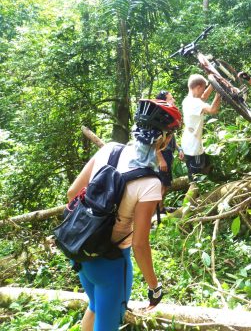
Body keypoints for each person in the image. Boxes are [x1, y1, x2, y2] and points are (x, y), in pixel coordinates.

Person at [66, 99, 181, 330]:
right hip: (111, 263)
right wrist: (154, 287)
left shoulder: (110, 149)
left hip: (80, 249)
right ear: (164, 139)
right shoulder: (150, 183)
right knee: (106, 321)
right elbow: (139, 244)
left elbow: (71, 193)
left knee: (96, 305)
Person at [181, 74, 221, 182]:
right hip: (194, 149)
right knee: (195, 178)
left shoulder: (188, 100)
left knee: (207, 164)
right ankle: (194, 195)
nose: (204, 92)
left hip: (189, 143)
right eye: (203, 89)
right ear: (198, 87)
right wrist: (219, 93)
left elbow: (203, 98)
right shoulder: (194, 103)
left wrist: (213, 84)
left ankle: (205, 186)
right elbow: (213, 110)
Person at [154, 91, 184, 211]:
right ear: (164, 101)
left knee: (165, 184)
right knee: (162, 184)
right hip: (163, 154)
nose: (174, 101)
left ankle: (161, 209)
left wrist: (179, 148)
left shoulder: (168, 117)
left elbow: (171, 137)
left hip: (168, 153)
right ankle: (154, 212)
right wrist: (161, 159)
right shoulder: (159, 118)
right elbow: (155, 142)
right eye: (171, 99)